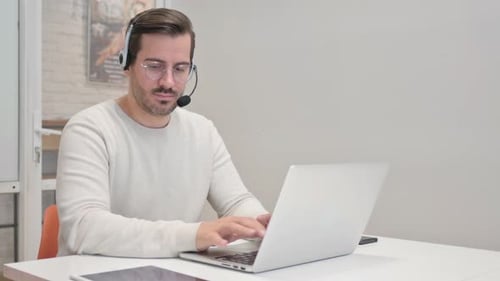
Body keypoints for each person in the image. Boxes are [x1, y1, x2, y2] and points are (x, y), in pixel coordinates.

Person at [56, 8, 270, 258]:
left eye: (180, 69)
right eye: (154, 66)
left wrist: (263, 227)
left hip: (172, 272)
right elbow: (84, 228)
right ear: (127, 64)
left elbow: (235, 202)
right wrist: (193, 235)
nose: (168, 81)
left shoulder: (202, 131)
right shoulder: (90, 128)